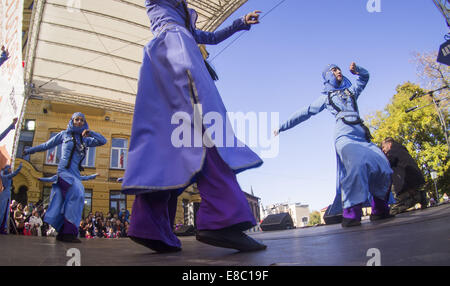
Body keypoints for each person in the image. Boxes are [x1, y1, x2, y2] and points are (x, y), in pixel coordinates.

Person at [120, 0, 265, 253]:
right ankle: (223, 219)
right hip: (177, 52)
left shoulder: (184, 16)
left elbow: (210, 36)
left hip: (172, 52)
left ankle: (151, 227)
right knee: (205, 127)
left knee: (170, 142)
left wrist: (240, 23)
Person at [275, 63, 393, 227]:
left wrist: (358, 70)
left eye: (339, 69)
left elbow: (364, 78)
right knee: (356, 165)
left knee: (383, 164)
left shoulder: (350, 92)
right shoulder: (326, 97)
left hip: (361, 133)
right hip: (344, 134)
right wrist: (282, 127)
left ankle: (380, 210)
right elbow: (305, 112)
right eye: (334, 70)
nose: (338, 71)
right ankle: (352, 214)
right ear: (328, 76)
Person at [23, 112, 107, 243]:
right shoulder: (64, 134)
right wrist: (29, 151)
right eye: (76, 119)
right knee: (77, 192)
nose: (79, 122)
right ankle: (69, 233)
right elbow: (46, 145)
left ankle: (62, 232)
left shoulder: (85, 139)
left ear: (84, 123)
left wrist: (91, 133)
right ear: (72, 121)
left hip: (76, 174)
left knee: (65, 201)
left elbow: (103, 141)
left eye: (81, 120)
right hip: (64, 172)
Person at [381, 137, 427, 214]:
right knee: (406, 197)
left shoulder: (392, 152)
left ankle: (419, 197)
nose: (383, 150)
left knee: (394, 209)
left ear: (389, 144)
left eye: (383, 147)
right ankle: (420, 196)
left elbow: (387, 162)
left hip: (406, 181)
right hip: (413, 179)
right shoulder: (400, 149)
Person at [0, 163, 22, 234]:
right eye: (9, 168)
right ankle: (2, 227)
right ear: (7, 169)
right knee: (3, 211)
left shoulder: (3, 175)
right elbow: (14, 173)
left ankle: (3, 227)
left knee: (3, 211)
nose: (10, 170)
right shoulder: (7, 177)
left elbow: (2, 172)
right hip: (6, 194)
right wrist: (19, 167)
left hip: (5, 193)